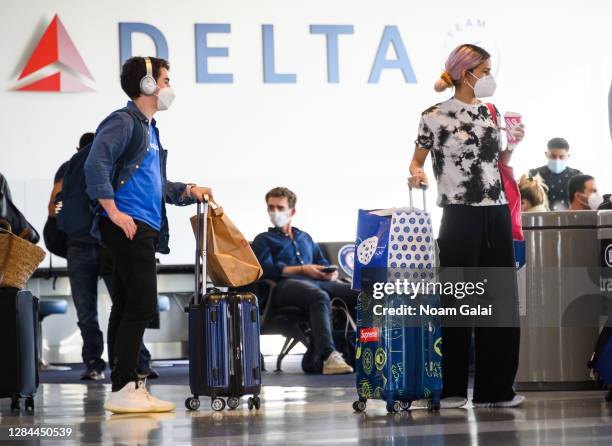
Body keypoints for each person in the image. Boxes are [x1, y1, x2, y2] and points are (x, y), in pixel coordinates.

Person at [84, 56, 213, 413]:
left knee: (127, 305)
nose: (170, 87)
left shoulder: (149, 130)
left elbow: (154, 185)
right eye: (166, 80)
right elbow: (97, 163)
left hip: (142, 226)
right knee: (140, 305)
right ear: (147, 85)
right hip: (129, 226)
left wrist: (186, 191)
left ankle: (127, 386)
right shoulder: (123, 121)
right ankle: (126, 386)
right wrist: (113, 212)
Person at [408, 44, 525, 408]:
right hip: (458, 213)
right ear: (464, 72)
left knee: (500, 304)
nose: (489, 76)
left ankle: (497, 390)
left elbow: (496, 163)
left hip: (497, 211)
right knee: (459, 303)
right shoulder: (433, 115)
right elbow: (416, 162)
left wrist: (514, 145)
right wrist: (417, 177)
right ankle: (453, 389)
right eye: (484, 69)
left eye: (490, 69)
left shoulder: (491, 111)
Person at [48, 135, 157, 381]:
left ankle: (94, 365)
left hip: (79, 246)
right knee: (126, 304)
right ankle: (139, 362)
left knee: (87, 311)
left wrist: (62, 217)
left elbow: (54, 204)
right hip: (110, 242)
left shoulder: (69, 167)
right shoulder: (112, 163)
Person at [251, 187, 357, 375]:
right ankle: (328, 356)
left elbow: (323, 262)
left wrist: (329, 274)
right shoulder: (263, 239)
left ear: (292, 211)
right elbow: (266, 270)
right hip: (283, 287)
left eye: (279, 207)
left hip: (316, 282)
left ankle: (365, 349)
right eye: (271, 207)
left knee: (357, 292)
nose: (274, 212)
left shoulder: (304, 237)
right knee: (319, 296)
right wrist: (302, 269)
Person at [528, 138, 582, 210]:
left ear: (568, 156)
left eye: (561, 157)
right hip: (541, 218)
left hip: (570, 218)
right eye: (553, 156)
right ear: (546, 154)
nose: (557, 160)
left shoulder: (577, 176)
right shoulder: (533, 175)